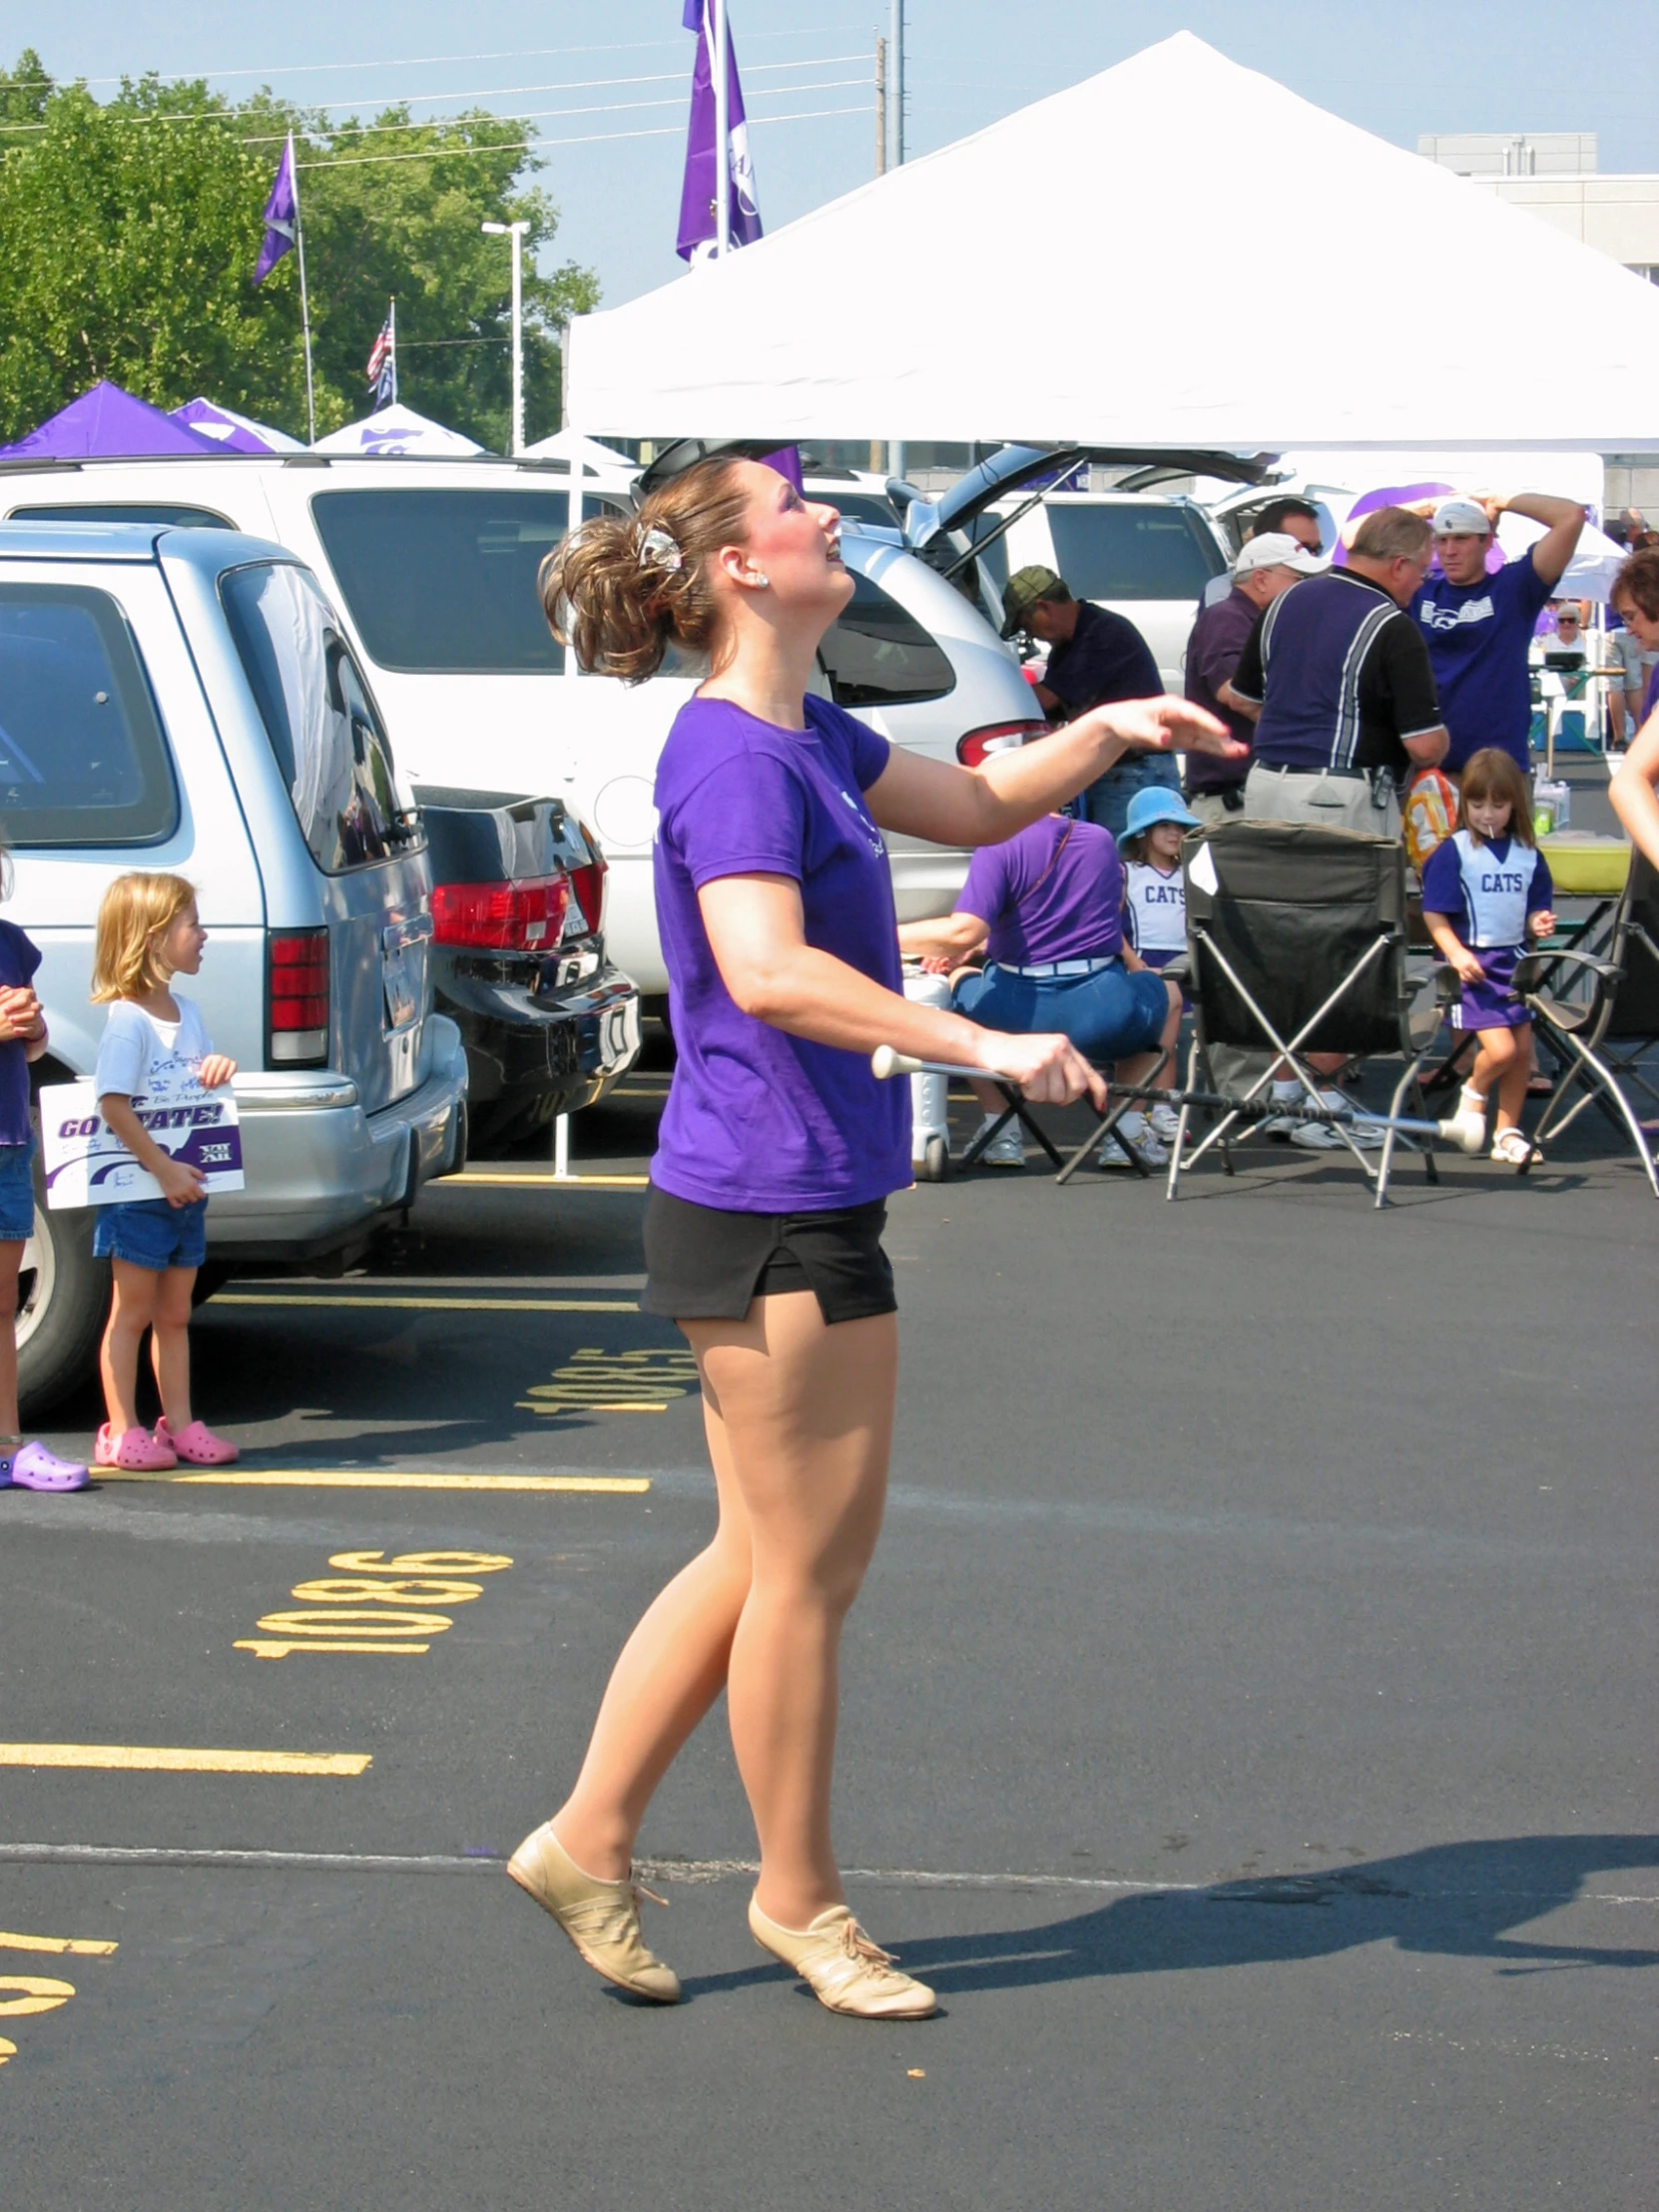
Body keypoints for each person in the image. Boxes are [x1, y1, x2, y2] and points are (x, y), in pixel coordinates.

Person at [508, 458, 1238, 2021]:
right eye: (791, 507)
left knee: (764, 1561)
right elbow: (764, 972)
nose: (824, 517)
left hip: (787, 1187)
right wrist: (978, 1046)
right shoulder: (730, 758)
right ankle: (800, 1904)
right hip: (769, 1202)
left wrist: (1107, 729)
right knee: (807, 1576)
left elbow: (972, 803)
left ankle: (584, 1842)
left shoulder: (800, 730)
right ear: (737, 573)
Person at [1227, 506, 1450, 1145]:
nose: (1421, 585)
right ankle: (1303, 1095)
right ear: (1399, 563)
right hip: (1343, 792)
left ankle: (1286, 1093)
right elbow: (1427, 744)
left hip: (1268, 785)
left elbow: (1242, 696)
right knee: (1355, 952)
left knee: (1283, 946)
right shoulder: (1390, 623)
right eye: (1422, 572)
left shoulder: (1283, 604)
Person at [897, 809, 1182, 1170]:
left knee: (956, 990)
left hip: (1014, 1015)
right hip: (1100, 1012)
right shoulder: (1099, 841)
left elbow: (964, 931)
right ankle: (1126, 1132)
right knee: (1164, 993)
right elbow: (1096, 920)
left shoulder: (998, 844)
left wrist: (887, 936)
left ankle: (1002, 1132)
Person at [89, 874, 240, 1472]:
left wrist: (216, 1067)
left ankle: (179, 1425)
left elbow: (194, 1079)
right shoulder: (127, 1022)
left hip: (186, 1192)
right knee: (131, 1313)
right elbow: (113, 1104)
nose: (203, 935)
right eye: (191, 924)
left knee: (175, 1315)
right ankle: (120, 1429)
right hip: (140, 1196)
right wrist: (163, 1170)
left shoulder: (188, 1012)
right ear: (153, 939)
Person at [1420, 750, 1555, 1165]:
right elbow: (1434, 911)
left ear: (1515, 803)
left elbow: (1533, 907)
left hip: (1514, 968)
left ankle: (1507, 1132)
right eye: (1477, 804)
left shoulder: (1529, 853)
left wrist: (1538, 923)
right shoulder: (1454, 852)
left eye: (1498, 804)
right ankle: (1473, 1094)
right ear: (1466, 805)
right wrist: (1455, 952)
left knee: (1521, 1052)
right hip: (1472, 970)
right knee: (1500, 1051)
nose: (1487, 814)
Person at [0, 853, 87, 1493]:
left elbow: (34, 1044)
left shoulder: (10, 943)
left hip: (9, 1143)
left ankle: (8, 1446)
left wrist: (32, 1031)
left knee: (4, 1305)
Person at [1412, 493, 1587, 780]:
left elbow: (1571, 517)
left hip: (1498, 767)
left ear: (1487, 541)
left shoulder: (1513, 588)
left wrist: (1500, 500)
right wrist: (1426, 507)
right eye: (1442, 540)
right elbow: (1355, 539)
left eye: (1461, 538)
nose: (1450, 550)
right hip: (1430, 769)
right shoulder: (1420, 591)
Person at [998, 563, 1177, 837]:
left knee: (1119, 865)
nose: (1031, 636)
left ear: (1044, 607)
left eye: (1026, 625)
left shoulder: (1100, 634)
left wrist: (996, 692)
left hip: (1136, 772)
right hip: (1121, 770)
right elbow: (1053, 713)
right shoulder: (1070, 644)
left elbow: (1044, 701)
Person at [1183, 534, 1327, 823]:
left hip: (1254, 796)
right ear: (1261, 579)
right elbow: (1233, 692)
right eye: (1299, 578)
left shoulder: (1268, 624)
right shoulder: (1227, 617)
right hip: (1231, 803)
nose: (1307, 589)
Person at [1119, 786, 1196, 977]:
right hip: (1143, 958)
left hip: (1188, 962)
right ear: (1142, 832)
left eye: (1180, 826)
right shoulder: (1126, 872)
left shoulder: (1192, 872)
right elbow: (1108, 922)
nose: (1175, 833)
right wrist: (1132, 961)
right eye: (1164, 825)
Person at [1199, 498, 1326, 610]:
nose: (1311, 557)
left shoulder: (1319, 590)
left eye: (1317, 549)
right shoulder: (1225, 597)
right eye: (1303, 548)